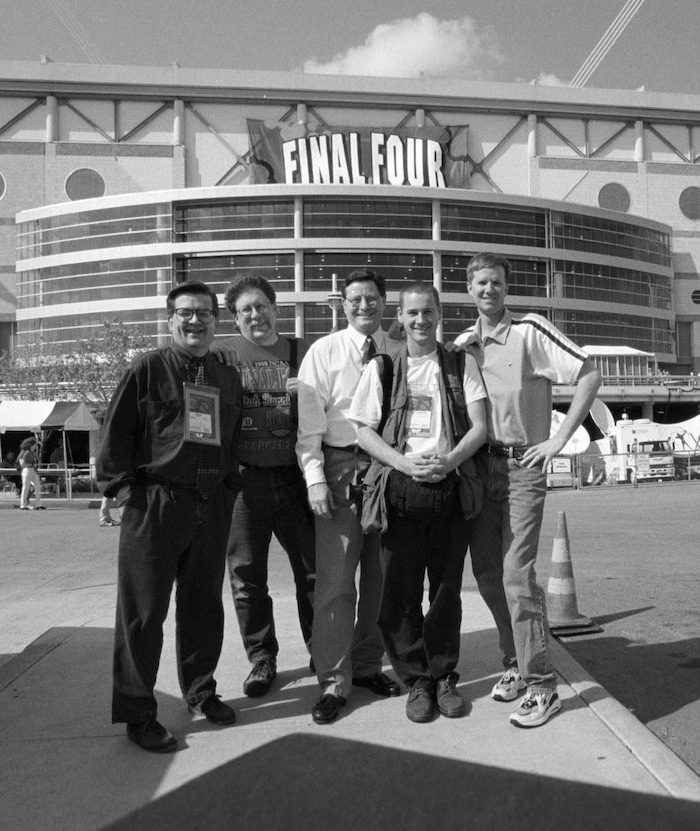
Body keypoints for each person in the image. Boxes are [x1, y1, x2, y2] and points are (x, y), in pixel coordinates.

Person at [454, 253, 601, 728]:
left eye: (496, 282)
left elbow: (588, 373)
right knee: (489, 575)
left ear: (506, 287)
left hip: (522, 467)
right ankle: (515, 661)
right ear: (469, 289)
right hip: (480, 469)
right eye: (481, 283)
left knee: (518, 575)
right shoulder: (463, 346)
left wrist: (558, 439)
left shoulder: (531, 330)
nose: (489, 290)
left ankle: (542, 686)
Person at [97, 280, 243, 753]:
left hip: (211, 503)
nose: (195, 321)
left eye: (204, 313)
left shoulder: (225, 375)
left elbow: (234, 434)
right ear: (170, 319)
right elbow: (116, 433)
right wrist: (123, 492)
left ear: (216, 321)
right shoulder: (148, 368)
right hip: (156, 506)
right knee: (142, 615)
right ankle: (139, 714)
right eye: (185, 313)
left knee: (203, 607)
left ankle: (201, 692)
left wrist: (228, 486)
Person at [349, 282, 487, 723]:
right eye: (412, 314)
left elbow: (479, 427)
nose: (420, 321)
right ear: (401, 317)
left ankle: (445, 676)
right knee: (400, 595)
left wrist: (447, 462)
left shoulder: (460, 363)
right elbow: (363, 431)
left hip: (449, 487)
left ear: (440, 312)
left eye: (428, 312)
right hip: (400, 493)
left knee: (446, 591)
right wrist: (406, 466)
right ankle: (417, 681)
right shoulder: (384, 366)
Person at [297, 269, 402, 724]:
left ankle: (366, 665)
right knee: (337, 583)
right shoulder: (323, 352)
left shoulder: (397, 350)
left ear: (385, 302)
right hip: (340, 468)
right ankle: (334, 682)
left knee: (382, 577)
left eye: (372, 298)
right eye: (355, 299)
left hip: (388, 471)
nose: (364, 306)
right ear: (342, 304)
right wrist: (314, 477)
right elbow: (309, 423)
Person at [218, 272, 315, 698]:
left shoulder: (302, 351)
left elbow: (332, 402)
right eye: (245, 310)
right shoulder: (221, 356)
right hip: (243, 482)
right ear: (234, 319)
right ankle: (262, 658)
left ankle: (323, 650)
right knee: (246, 577)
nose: (255, 315)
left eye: (261, 306)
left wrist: (309, 391)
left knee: (313, 572)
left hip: (295, 479)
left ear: (275, 308)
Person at [17, 437, 44, 510]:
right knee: (25, 488)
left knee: (37, 486)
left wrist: (34, 467)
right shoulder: (26, 453)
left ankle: (38, 504)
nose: (35, 447)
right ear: (31, 445)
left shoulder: (32, 453)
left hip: (32, 470)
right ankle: (23, 505)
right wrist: (32, 465)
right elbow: (22, 464)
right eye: (35, 445)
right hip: (27, 470)